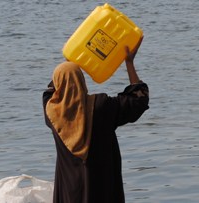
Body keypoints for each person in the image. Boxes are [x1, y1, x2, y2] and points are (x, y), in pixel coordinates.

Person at [42, 37, 149, 203]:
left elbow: (51, 91)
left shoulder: (52, 112)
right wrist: (129, 63)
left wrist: (69, 59)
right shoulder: (101, 106)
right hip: (102, 192)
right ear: (81, 81)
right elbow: (138, 99)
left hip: (69, 194)